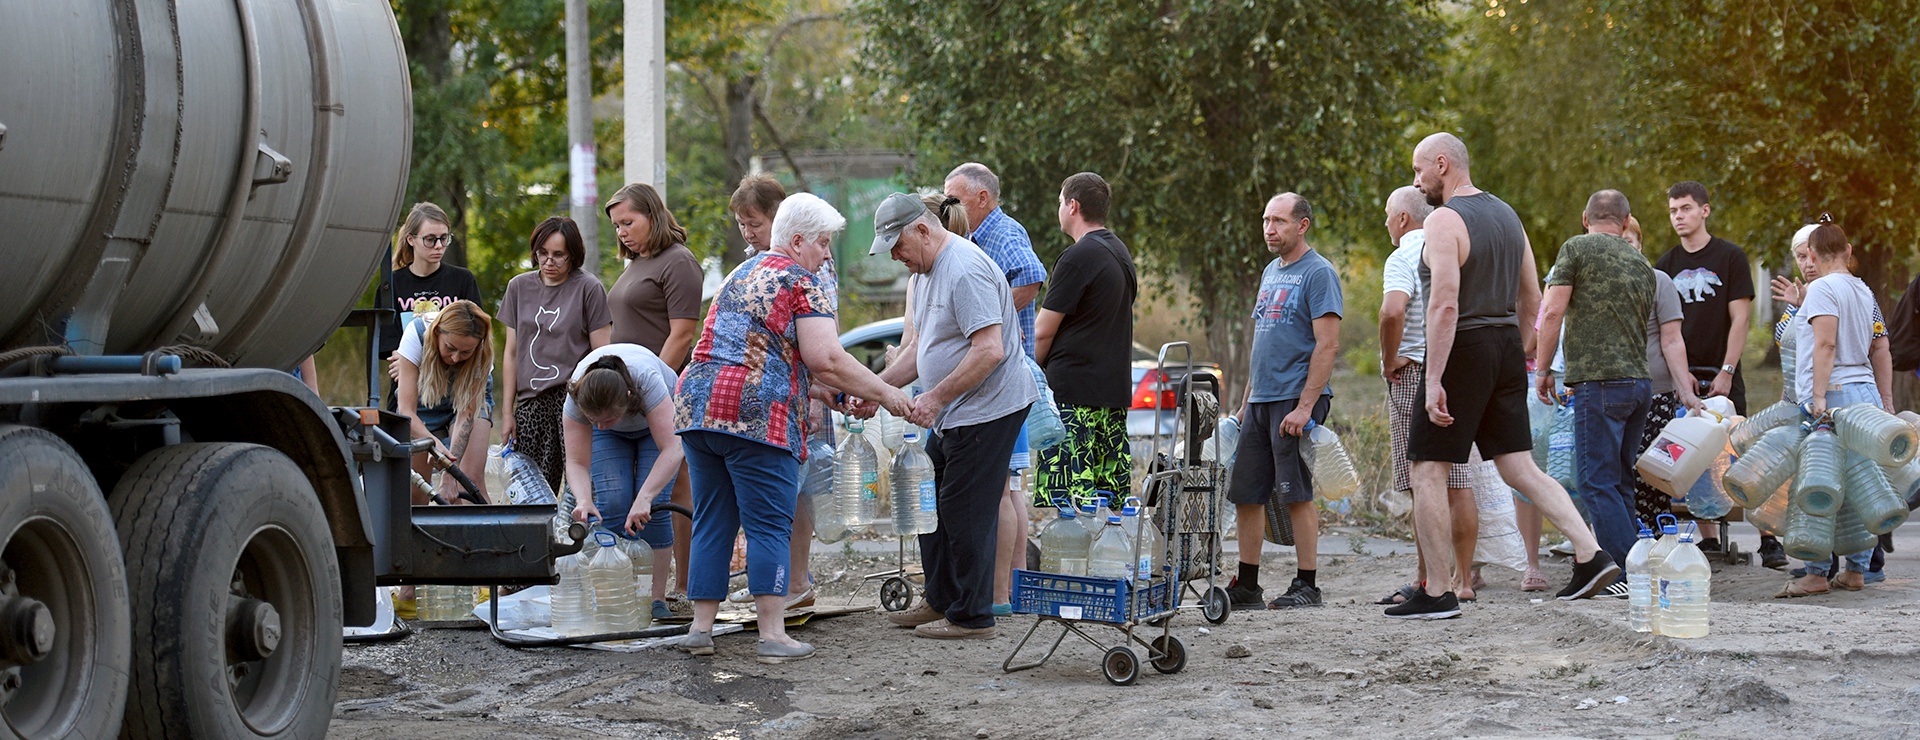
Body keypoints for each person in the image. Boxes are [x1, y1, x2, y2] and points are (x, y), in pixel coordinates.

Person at [1392, 133, 1618, 619]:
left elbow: (1444, 303)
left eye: (1418, 170)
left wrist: (1434, 380)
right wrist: (1517, 354)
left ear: (1442, 163)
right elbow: (1532, 299)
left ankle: (1437, 590)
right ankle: (1591, 555)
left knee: (1427, 468)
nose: (1417, 181)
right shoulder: (1508, 216)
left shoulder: (1444, 220)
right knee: (1519, 467)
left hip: (1462, 346)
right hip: (1506, 346)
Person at [675, 193, 909, 662]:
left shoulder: (743, 272)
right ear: (798, 241)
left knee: (713, 518)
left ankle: (700, 629)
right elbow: (826, 358)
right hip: (756, 415)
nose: (826, 254)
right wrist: (887, 393)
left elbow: (773, 356)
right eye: (823, 243)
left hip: (698, 407)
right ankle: (772, 634)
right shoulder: (802, 280)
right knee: (769, 524)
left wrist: (832, 394)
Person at [870, 192, 1038, 640]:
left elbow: (989, 351)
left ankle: (972, 615)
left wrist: (935, 398)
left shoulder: (964, 269)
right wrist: (878, 390)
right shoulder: (927, 272)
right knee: (929, 501)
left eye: (898, 246)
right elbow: (921, 350)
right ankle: (941, 599)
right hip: (955, 412)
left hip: (988, 409)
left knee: (964, 510)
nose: (896, 257)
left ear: (923, 230)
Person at [1532, 190, 1657, 597]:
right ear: (1626, 221)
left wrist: (1544, 369)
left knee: (1594, 482)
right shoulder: (1642, 264)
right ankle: (1637, 568)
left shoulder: (1576, 249)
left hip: (1599, 382)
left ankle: (1622, 575)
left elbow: (1552, 311)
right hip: (1639, 384)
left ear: (1586, 219)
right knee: (1620, 482)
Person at [1222, 192, 1340, 611]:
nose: (1269, 229)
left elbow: (1327, 345)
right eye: (1266, 220)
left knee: (1295, 493)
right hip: (1261, 401)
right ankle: (1248, 586)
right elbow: (1263, 343)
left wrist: (1305, 408)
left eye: (1279, 221)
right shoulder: (1271, 271)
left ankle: (1308, 585)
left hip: (1295, 399)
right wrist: (1245, 403)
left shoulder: (1319, 273)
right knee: (1246, 493)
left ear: (1302, 225)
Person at [943, 163, 1048, 618]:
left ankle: (1003, 591)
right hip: (993, 384)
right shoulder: (972, 238)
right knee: (1007, 487)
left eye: (954, 199)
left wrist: (994, 314)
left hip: (1002, 382)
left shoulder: (1002, 232)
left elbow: (1031, 277)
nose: (948, 208)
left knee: (1004, 489)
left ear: (982, 198)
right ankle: (1008, 587)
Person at [720, 173, 826, 611]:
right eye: (742, 224)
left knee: (793, 493)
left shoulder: (812, 261)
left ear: (781, 219)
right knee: (761, 499)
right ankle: (769, 590)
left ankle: (794, 581)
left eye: (755, 223)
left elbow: (823, 342)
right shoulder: (752, 264)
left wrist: (817, 395)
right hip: (759, 397)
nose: (748, 233)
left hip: (797, 393)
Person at [1774, 217, 1894, 597]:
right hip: (1864, 393)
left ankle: (1816, 573)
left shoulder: (1823, 288)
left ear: (1811, 255)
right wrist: (1886, 402)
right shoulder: (1862, 289)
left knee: (1818, 483)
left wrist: (1819, 397)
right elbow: (1878, 345)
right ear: (1848, 251)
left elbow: (1825, 345)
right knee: (1861, 487)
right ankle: (1856, 570)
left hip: (1836, 395)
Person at [1377, 185, 1481, 604]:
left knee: (1422, 481)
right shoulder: (1456, 245)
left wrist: (1389, 359)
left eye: (1388, 214)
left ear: (1403, 218)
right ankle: (1464, 580)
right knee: (1458, 478)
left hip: (1417, 372)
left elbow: (1392, 310)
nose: (1386, 222)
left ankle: (1427, 581)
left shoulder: (1403, 255)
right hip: (1459, 367)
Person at [605, 182, 705, 603]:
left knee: (679, 486)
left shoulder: (678, 261)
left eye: (628, 222)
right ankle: (648, 586)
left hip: (664, 390)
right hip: (628, 396)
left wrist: (654, 386)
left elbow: (683, 333)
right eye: (616, 226)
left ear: (652, 215)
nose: (622, 232)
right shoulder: (638, 263)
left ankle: (687, 586)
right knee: (644, 487)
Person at [1654, 181, 1764, 558]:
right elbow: (1664, 330)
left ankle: (1768, 539)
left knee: (1742, 454)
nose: (1678, 217)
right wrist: (1678, 375)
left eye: (1685, 208)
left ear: (1705, 210)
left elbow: (1741, 319)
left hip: (1723, 372)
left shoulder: (1731, 257)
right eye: (1673, 211)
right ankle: (1710, 538)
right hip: (1682, 377)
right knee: (1691, 456)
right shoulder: (1665, 266)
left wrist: (1727, 370)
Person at [1034, 172, 1137, 530]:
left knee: (1073, 506)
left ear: (1073, 206)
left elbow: (1043, 332)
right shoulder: (1120, 252)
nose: (1059, 208)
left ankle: (1077, 565)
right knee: (1107, 503)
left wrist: (1030, 374)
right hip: (1111, 394)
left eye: (1060, 201)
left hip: (1073, 397)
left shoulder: (1078, 257)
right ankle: (1109, 560)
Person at [564, 344, 684, 621]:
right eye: (594, 421)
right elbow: (577, 461)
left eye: (606, 420)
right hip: (612, 432)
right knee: (613, 502)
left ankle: (654, 598)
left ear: (628, 398)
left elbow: (673, 447)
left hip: (658, 428)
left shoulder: (646, 381)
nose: (600, 426)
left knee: (652, 509)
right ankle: (616, 595)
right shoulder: (577, 395)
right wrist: (583, 499)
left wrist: (645, 498)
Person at [498, 217, 612, 492]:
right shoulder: (518, 287)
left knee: (581, 487)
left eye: (558, 255)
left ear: (573, 255)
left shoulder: (589, 288)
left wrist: (599, 407)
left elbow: (602, 355)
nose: (549, 261)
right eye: (543, 253)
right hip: (531, 401)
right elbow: (511, 353)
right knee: (532, 492)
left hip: (574, 398)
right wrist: (507, 412)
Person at [393, 300, 495, 504]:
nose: (456, 358)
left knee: (468, 481)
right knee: (416, 491)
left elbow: (467, 414)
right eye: (450, 348)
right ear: (437, 332)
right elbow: (406, 411)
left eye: (466, 352)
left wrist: (450, 473)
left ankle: (480, 523)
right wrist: (434, 444)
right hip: (424, 403)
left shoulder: (482, 351)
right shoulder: (416, 334)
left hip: (466, 403)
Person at [385, 202, 483, 401]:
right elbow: (390, 345)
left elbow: (475, 336)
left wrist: (416, 362)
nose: (439, 246)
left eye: (444, 238)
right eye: (430, 239)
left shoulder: (462, 280)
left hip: (455, 388)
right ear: (411, 239)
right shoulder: (392, 285)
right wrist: (409, 363)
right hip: (408, 389)